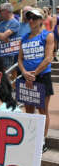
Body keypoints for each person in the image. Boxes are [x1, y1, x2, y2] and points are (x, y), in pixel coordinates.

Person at [18, 8, 54, 153]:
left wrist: (35, 73)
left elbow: (49, 57)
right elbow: (20, 59)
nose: (31, 20)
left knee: (43, 110)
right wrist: (25, 73)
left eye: (34, 17)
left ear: (41, 20)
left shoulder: (47, 35)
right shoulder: (24, 38)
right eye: (29, 17)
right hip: (27, 78)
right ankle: (30, 138)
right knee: (28, 110)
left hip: (42, 76)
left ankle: (42, 141)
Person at [0, 2, 20, 70]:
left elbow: (3, 36)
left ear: (6, 11)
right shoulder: (1, 23)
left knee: (7, 76)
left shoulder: (14, 23)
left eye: (0, 11)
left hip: (7, 55)